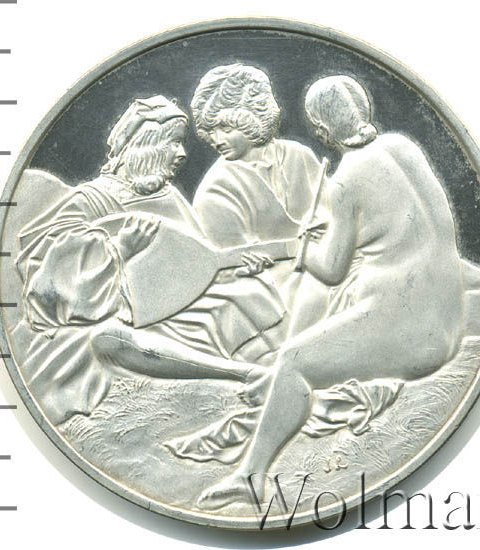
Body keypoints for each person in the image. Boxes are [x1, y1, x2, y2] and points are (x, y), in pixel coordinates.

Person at [197, 75, 465, 508]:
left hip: (412, 338)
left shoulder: (344, 181)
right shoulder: (404, 147)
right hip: (448, 321)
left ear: (321, 130)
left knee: (293, 362)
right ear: (364, 109)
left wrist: (305, 249)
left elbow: (331, 270)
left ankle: (250, 476)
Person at [15, 96, 280, 425]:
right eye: (173, 143)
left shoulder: (169, 196)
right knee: (110, 339)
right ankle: (245, 374)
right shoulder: (91, 199)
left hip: (176, 311)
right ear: (146, 145)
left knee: (250, 291)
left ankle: (283, 373)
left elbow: (194, 265)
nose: (181, 154)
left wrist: (236, 267)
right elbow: (45, 277)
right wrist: (118, 250)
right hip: (107, 319)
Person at [191, 64, 324, 313]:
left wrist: (324, 228)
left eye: (226, 129)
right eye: (210, 131)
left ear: (254, 121)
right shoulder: (217, 188)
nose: (216, 140)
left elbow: (334, 217)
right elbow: (223, 269)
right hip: (269, 293)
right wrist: (241, 269)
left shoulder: (300, 156)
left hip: (321, 269)